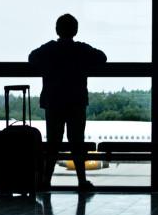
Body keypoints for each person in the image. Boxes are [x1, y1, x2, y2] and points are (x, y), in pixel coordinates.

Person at [28, 14, 106, 191]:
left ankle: (46, 180)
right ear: (76, 31)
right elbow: (102, 58)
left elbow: (32, 58)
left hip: (54, 100)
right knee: (77, 142)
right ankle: (81, 181)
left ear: (57, 30)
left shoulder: (49, 50)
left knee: (53, 143)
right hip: (76, 100)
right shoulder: (81, 50)